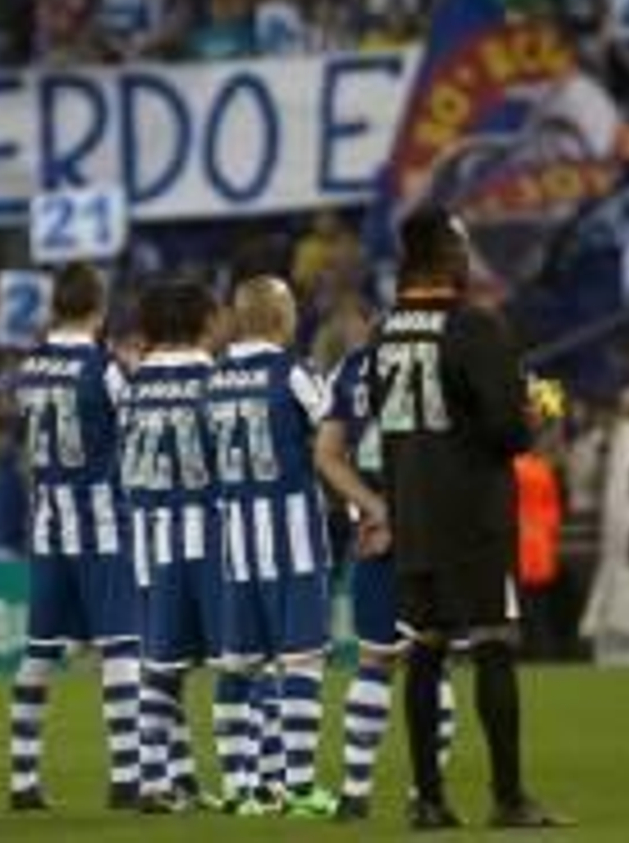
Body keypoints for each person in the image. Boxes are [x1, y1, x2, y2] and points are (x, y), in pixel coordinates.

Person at [368, 206, 567, 831]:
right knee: (493, 645)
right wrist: (538, 417)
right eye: (461, 245)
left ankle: (428, 800)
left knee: (424, 653)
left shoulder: (384, 333)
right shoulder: (474, 326)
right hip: (475, 517)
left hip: (414, 513)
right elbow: (506, 433)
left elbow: (387, 420)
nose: (468, 257)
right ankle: (508, 798)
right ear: (443, 255)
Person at [206, 276, 379, 817]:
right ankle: (299, 787)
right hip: (293, 542)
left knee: (239, 666)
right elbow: (332, 441)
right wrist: (363, 507)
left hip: (235, 544)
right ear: (282, 319)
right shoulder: (294, 373)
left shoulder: (214, 380)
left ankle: (242, 788)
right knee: (301, 663)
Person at [5, 263, 141, 812]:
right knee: (121, 647)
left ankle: (21, 781)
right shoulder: (104, 368)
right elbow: (134, 434)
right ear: (99, 308)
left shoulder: (30, 369)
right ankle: (128, 778)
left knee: (39, 653)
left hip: (48, 526)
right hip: (101, 524)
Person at [317, 341, 456, 822]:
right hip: (434, 525)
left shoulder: (352, 365)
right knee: (432, 658)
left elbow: (328, 453)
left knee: (375, 660)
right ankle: (426, 793)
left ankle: (355, 792)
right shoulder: (441, 354)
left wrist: (376, 508)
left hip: (375, 528)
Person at [119, 279, 222, 814]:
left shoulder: (132, 385)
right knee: (242, 659)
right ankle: (258, 775)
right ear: (204, 321)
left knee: (161, 663)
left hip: (147, 538)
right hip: (209, 533)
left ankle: (161, 777)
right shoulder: (215, 378)